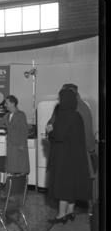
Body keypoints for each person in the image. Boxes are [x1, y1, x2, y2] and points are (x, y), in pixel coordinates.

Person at [46, 84, 97, 219]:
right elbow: (87, 133)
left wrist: (50, 132)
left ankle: (63, 214)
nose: (58, 100)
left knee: (64, 184)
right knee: (76, 183)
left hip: (66, 153)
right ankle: (71, 211)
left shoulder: (64, 112)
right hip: (79, 152)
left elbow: (57, 132)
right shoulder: (80, 111)